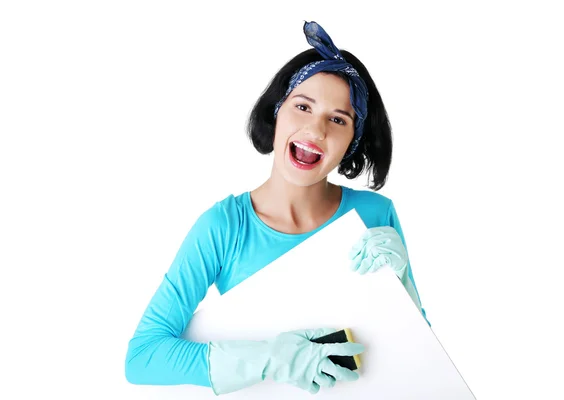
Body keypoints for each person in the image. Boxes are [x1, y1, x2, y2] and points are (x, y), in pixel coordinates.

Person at [125, 21, 430, 396]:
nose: (316, 130)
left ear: (352, 141)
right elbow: (143, 357)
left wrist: (404, 288)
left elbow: (420, 355)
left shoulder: (375, 215)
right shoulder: (223, 227)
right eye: (303, 106)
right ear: (277, 113)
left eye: (338, 119)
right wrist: (271, 358)